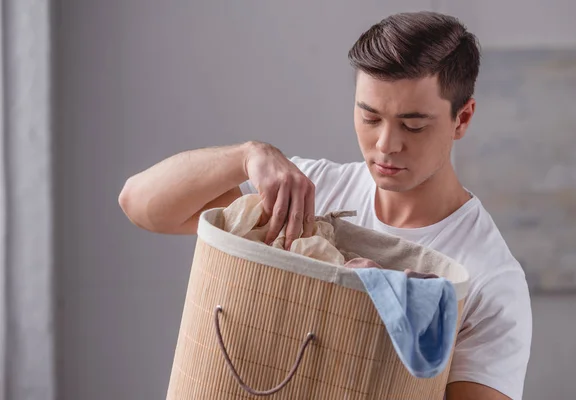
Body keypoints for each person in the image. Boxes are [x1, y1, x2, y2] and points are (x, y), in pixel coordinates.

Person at [118, 11, 532, 400]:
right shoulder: (306, 193)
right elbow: (140, 203)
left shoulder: (488, 278)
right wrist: (248, 155)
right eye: (370, 118)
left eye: (413, 125)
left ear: (462, 119)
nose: (386, 145)